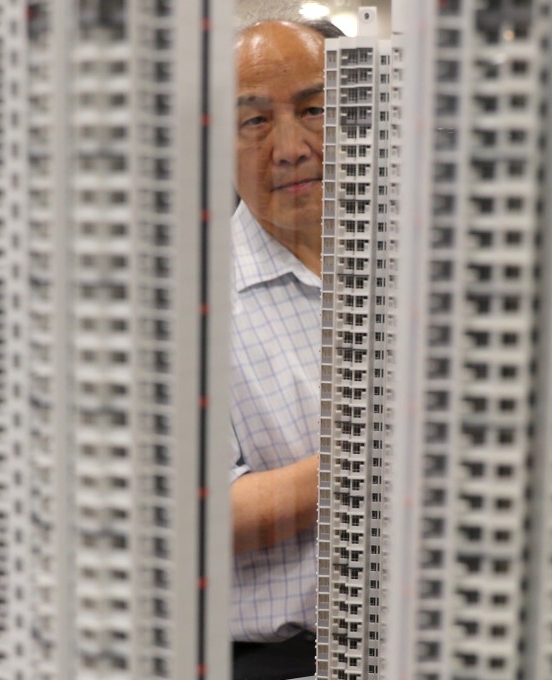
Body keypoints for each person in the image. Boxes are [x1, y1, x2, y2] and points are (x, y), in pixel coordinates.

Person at [228, 17, 343, 680]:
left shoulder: (432, 256)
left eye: (315, 109)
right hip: (287, 659)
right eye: (256, 122)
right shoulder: (186, 304)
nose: (293, 147)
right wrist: (378, 458)